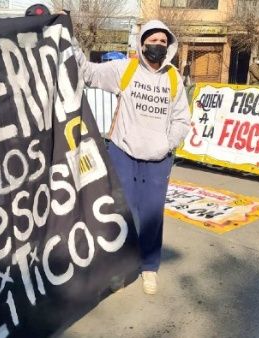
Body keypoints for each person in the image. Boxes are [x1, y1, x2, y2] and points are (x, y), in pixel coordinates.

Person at [73, 19, 191, 295]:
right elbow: (88, 73)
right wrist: (72, 43)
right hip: (123, 154)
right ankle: (117, 267)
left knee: (151, 215)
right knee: (121, 213)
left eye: (163, 42)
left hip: (158, 160)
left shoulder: (173, 78)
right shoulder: (124, 69)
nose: (158, 45)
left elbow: (182, 120)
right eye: (153, 40)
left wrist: (167, 144)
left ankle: (149, 267)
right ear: (142, 42)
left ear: (169, 46)